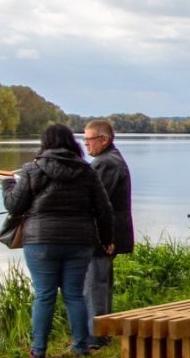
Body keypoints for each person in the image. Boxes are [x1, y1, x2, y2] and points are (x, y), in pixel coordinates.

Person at [3, 124, 113, 358]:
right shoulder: (87, 171)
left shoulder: (33, 170)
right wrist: (106, 239)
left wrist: (8, 183)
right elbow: (104, 209)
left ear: (45, 144)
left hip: (41, 241)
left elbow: (14, 205)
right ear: (71, 143)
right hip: (80, 241)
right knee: (74, 294)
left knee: (44, 294)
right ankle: (81, 347)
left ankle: (38, 350)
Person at [82, 119, 133, 349]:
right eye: (84, 140)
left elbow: (96, 201)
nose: (86, 145)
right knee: (99, 282)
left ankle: (96, 337)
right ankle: (102, 332)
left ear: (105, 139)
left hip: (104, 233)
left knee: (95, 284)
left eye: (89, 140)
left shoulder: (107, 163)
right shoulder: (107, 160)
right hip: (108, 232)